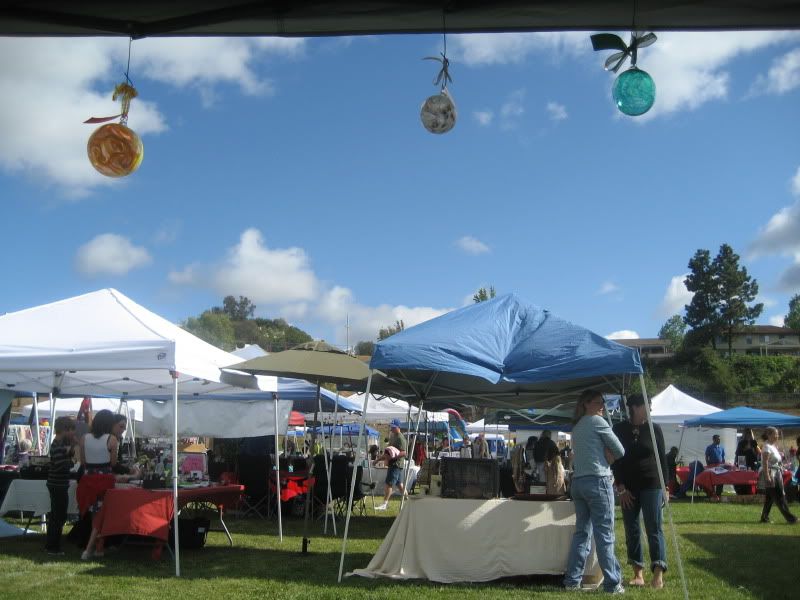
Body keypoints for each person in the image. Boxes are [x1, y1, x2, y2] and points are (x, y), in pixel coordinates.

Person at [563, 389, 626, 594]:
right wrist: (609, 457)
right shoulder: (598, 422)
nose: (602, 407)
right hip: (598, 481)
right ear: (587, 404)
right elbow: (620, 450)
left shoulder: (577, 426)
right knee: (604, 534)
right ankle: (613, 583)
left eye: (603, 403)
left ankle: (572, 581)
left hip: (578, 483)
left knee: (581, 534)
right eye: (599, 403)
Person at [612, 394, 668, 589]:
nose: (651, 408)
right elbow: (615, 460)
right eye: (647, 405)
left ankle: (658, 573)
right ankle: (638, 573)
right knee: (631, 528)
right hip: (627, 487)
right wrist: (620, 487)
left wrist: (665, 487)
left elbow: (662, 460)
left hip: (652, 485)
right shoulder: (618, 429)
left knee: (654, 527)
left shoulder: (655, 429)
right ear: (634, 407)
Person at [77, 409, 119, 560]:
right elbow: (113, 463)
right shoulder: (112, 439)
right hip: (104, 480)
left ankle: (99, 548)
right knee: (100, 515)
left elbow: (82, 462)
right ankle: (89, 549)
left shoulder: (84, 438)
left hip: (88, 479)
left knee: (96, 514)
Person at [45, 416, 76, 556]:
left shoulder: (59, 444)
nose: (73, 433)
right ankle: (53, 547)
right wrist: (72, 462)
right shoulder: (57, 445)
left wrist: (70, 452)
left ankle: (52, 544)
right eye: (71, 430)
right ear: (65, 429)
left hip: (57, 483)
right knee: (58, 517)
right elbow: (60, 465)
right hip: (58, 484)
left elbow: (62, 458)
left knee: (57, 516)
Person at [759, 427, 797, 524]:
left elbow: (775, 461)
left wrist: (783, 466)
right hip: (771, 474)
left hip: (777, 473)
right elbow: (765, 462)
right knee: (779, 496)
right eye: (775, 434)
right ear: (769, 435)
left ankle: (764, 518)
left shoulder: (773, 446)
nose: (777, 436)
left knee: (770, 497)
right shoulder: (766, 446)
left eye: (777, 434)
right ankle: (791, 519)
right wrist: (767, 476)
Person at [375, 419, 407, 511]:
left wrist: (392, 458)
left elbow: (404, 453)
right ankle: (408, 501)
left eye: (393, 427)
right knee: (400, 485)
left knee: (389, 484)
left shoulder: (401, 438)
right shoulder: (392, 436)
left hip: (396, 464)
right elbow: (388, 451)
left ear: (398, 427)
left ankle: (384, 504)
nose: (391, 429)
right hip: (394, 464)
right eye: (391, 427)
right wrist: (378, 459)